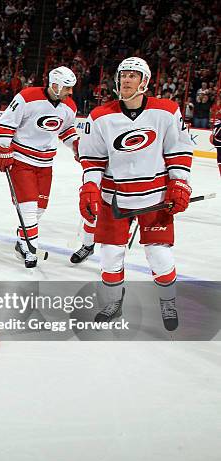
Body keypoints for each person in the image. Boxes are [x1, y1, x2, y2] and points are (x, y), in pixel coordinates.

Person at [78, 57, 193, 331]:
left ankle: (168, 301)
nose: (126, 80)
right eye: (123, 75)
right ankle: (114, 302)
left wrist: (180, 184)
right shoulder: (101, 116)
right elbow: (92, 158)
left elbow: (178, 151)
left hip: (155, 197)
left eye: (132, 75)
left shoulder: (166, 112)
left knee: (159, 255)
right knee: (109, 255)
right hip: (113, 198)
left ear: (145, 81)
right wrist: (90, 186)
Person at [0, 66, 79, 267]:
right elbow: (5, 125)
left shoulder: (70, 106)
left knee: (40, 209)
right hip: (22, 161)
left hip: (45, 164)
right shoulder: (27, 97)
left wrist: (78, 147)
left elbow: (66, 131)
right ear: (55, 85)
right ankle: (30, 249)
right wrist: (2, 151)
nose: (71, 92)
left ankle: (22, 240)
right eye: (67, 87)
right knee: (29, 209)